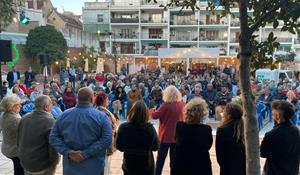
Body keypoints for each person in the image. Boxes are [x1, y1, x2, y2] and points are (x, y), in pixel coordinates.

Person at [49, 87, 112, 175]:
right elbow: (107, 139)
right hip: (94, 168)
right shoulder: (101, 116)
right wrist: (85, 153)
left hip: (71, 167)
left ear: (77, 99)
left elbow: (53, 137)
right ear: (92, 99)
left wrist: (68, 152)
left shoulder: (64, 115)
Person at [18, 95, 59, 175]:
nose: (52, 106)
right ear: (46, 106)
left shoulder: (25, 118)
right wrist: (55, 162)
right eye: (51, 104)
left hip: (25, 161)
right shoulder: (49, 121)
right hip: (41, 165)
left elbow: (18, 139)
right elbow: (53, 146)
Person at [116, 101, 159, 175]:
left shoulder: (123, 127)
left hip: (129, 164)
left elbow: (119, 146)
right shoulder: (150, 128)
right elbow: (156, 147)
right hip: (146, 165)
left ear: (131, 112)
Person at [149, 85, 185, 175]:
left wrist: (151, 110)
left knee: (160, 159)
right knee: (174, 160)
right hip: (177, 136)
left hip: (165, 135)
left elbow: (154, 116)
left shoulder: (166, 105)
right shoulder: (182, 104)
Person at [172, 98, 213, 175]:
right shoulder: (206, 129)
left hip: (181, 165)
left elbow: (176, 140)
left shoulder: (179, 126)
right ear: (203, 113)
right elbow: (208, 146)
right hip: (200, 166)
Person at [261, 100, 300, 175]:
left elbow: (263, 154)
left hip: (274, 171)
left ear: (278, 115)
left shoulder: (271, 134)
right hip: (292, 170)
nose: (271, 112)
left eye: (273, 110)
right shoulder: (296, 130)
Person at [216, 103, 246, 175]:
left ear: (228, 115)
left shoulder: (222, 130)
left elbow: (219, 154)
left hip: (227, 167)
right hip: (242, 167)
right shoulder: (245, 128)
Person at [0, 95, 24, 175]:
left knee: (17, 167)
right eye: (18, 104)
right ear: (12, 106)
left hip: (7, 147)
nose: (20, 106)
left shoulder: (4, 115)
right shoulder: (15, 119)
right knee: (20, 170)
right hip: (14, 150)